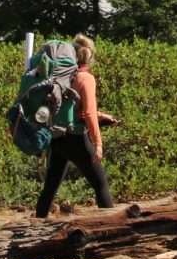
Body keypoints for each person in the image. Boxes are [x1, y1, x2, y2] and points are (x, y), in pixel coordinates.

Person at [35, 34, 118, 218]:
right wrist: (98, 144)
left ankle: (36, 226)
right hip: (76, 137)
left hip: (57, 136)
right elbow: (87, 113)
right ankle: (112, 228)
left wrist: (101, 115)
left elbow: (75, 108)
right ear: (90, 56)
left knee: (50, 187)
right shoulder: (85, 78)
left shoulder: (63, 75)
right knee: (100, 184)